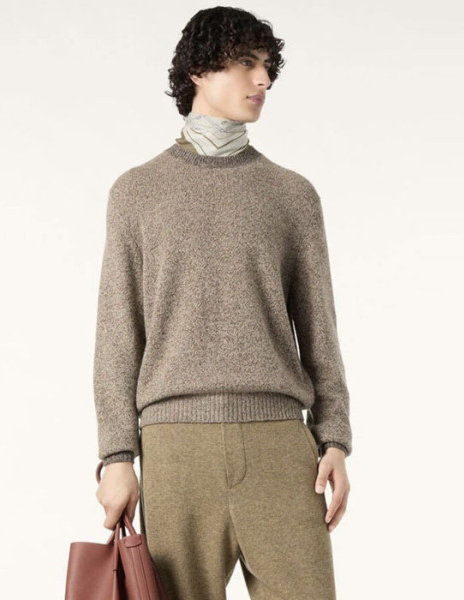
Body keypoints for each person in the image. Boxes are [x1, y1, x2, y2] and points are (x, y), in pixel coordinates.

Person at [93, 7, 352, 599]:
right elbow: (117, 333)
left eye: (267, 68)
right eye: (245, 64)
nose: (263, 80)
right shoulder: (136, 193)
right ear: (198, 71)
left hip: (282, 446)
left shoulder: (292, 195)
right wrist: (116, 455)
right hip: (175, 449)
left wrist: (335, 437)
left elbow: (320, 330)